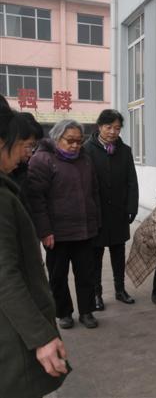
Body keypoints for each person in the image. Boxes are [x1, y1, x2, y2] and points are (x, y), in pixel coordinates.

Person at [0, 109, 69, 397]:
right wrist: (41, 337)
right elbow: (5, 275)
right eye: (23, 145)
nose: (25, 155)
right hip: (13, 336)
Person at [26, 119, 101, 329]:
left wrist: (96, 221)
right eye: (70, 141)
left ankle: (86, 311)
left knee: (86, 274)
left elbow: (94, 192)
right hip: (57, 232)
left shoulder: (85, 159)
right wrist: (45, 230)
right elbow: (37, 199)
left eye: (79, 141)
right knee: (58, 276)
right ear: (57, 138)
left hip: (84, 229)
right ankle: (64, 312)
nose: (75, 145)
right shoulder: (42, 160)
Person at [84, 109, 139, 311]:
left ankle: (120, 290)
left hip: (118, 210)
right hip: (96, 212)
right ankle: (96, 294)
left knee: (118, 252)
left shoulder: (125, 151)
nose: (113, 132)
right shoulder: (86, 150)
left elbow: (132, 181)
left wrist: (131, 206)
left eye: (117, 128)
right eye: (109, 127)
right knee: (95, 255)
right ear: (99, 127)